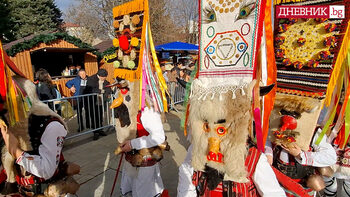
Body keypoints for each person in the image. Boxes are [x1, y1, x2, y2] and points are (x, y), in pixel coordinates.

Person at [84, 69, 111, 140]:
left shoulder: (105, 80)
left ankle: (100, 129)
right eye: (103, 77)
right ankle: (95, 132)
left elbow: (108, 88)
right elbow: (90, 89)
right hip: (93, 101)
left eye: (105, 77)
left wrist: (107, 92)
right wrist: (101, 91)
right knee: (94, 117)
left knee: (100, 115)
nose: (104, 79)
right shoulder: (91, 79)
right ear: (99, 75)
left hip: (101, 101)